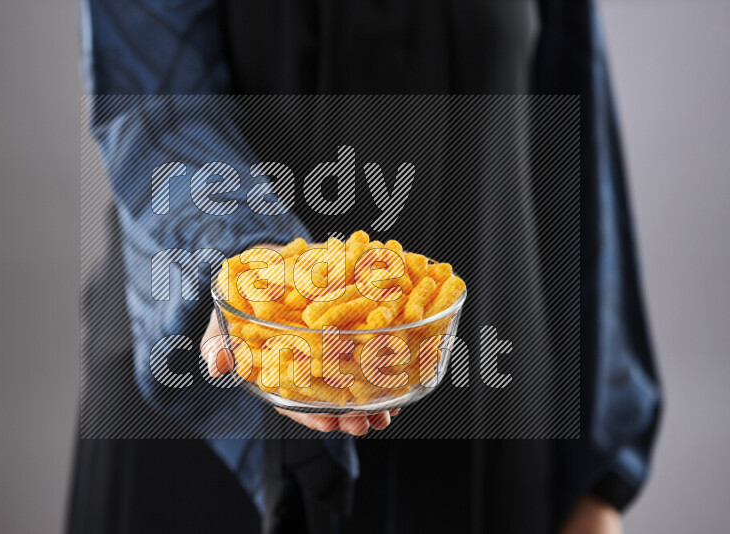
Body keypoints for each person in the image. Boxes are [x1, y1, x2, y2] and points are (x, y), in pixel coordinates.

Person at [69, 1, 661, 533]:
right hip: (207, 396)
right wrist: (261, 281)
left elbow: (574, 113)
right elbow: (152, 99)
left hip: (484, 423)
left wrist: (598, 473)